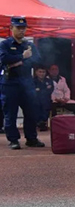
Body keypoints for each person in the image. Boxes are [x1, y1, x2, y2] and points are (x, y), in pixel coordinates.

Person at [0, 17, 45, 149]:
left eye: (23, 28)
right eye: (18, 28)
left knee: (31, 112)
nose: (21, 31)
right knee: (11, 113)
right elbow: (3, 59)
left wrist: (19, 62)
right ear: (11, 28)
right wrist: (22, 57)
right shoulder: (5, 44)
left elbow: (37, 59)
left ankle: (31, 138)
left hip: (26, 82)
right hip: (10, 83)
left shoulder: (29, 45)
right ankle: (13, 140)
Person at [33, 66, 54, 131]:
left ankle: (42, 122)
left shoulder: (49, 81)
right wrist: (42, 90)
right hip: (35, 100)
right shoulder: (33, 81)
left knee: (45, 102)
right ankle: (38, 122)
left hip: (46, 100)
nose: (41, 74)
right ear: (36, 72)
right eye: (40, 72)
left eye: (43, 72)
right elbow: (33, 92)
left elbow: (50, 90)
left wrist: (40, 90)